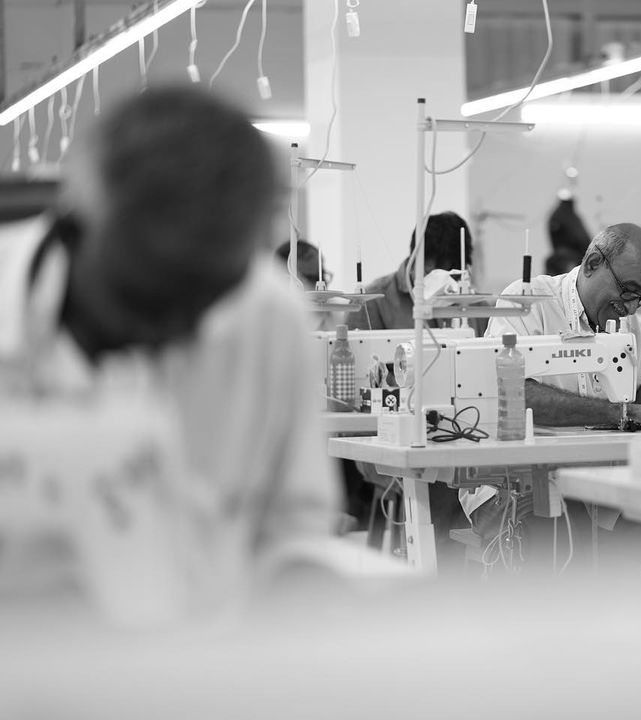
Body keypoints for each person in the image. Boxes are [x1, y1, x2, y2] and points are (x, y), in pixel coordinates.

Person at [0, 86, 337, 618]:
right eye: (143, 302)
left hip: (210, 659)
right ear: (74, 227)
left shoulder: (268, 318)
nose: (174, 335)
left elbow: (296, 530)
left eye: (201, 304)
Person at [462, 223, 641, 576]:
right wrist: (617, 413)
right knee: (566, 543)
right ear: (592, 263)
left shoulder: (630, 329)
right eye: (628, 290)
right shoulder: (528, 303)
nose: (632, 308)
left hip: (597, 488)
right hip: (512, 484)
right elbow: (515, 393)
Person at [347, 211, 473, 331]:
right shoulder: (371, 302)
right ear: (414, 259)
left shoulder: (473, 303)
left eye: (451, 278)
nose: (442, 287)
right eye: (431, 274)